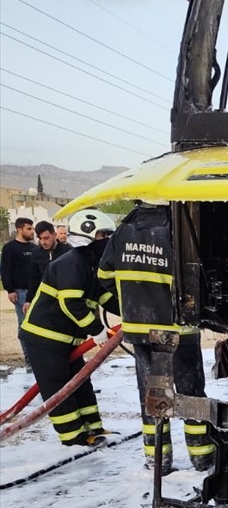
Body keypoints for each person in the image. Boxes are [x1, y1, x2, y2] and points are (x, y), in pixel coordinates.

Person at [99, 203, 214, 474]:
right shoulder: (178, 229)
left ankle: (158, 462)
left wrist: (128, 307)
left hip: (140, 331)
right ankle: (202, 458)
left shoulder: (122, 231)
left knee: (152, 397)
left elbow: (104, 277)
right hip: (178, 330)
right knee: (191, 394)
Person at [19, 235, 112, 446]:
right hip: (44, 338)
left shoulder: (92, 265)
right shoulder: (71, 263)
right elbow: (71, 303)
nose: (107, 242)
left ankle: (92, 426)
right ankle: (73, 438)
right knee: (59, 388)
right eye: (103, 237)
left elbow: (106, 297)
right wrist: (97, 330)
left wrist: (134, 312)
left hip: (66, 340)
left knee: (80, 383)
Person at [1, 216, 50, 370]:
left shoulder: (34, 248)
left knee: (40, 323)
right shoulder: (9, 248)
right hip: (20, 292)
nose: (32, 232)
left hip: (36, 291)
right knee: (24, 325)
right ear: (19, 229)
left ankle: (41, 357)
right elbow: (5, 270)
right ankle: (30, 360)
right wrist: (10, 290)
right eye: (29, 229)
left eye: (32, 228)